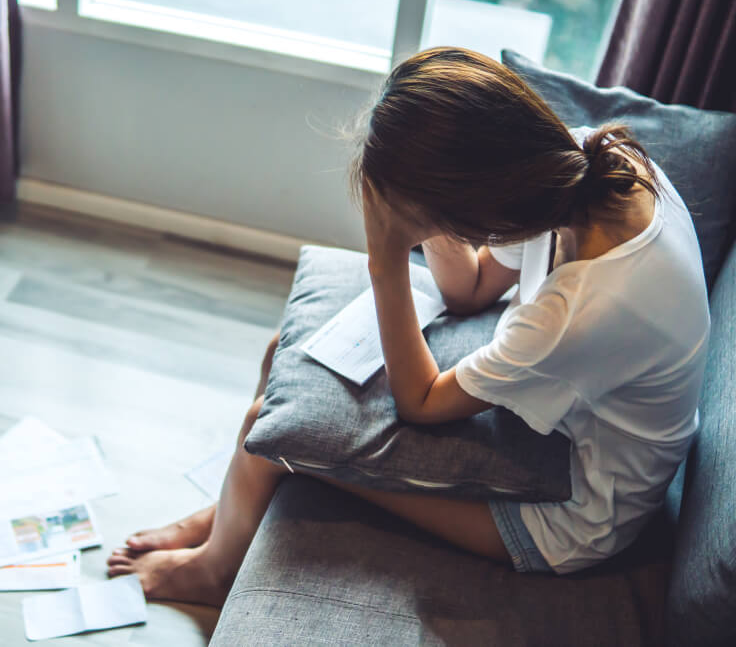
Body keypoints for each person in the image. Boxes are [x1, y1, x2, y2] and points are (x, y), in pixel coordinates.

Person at [105, 47, 709, 603]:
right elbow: (469, 291)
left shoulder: (580, 309)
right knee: (281, 354)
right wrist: (428, 214)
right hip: (558, 416)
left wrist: (387, 254)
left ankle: (214, 569)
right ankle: (226, 510)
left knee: (269, 435)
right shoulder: (582, 165)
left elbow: (418, 402)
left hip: (573, 512)